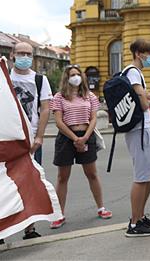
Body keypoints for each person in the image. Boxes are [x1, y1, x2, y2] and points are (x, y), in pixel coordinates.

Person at [49, 65, 112, 229]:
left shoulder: (89, 96)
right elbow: (59, 121)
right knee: (62, 177)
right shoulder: (59, 97)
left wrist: (84, 138)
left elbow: (93, 119)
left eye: (78, 74)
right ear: (66, 77)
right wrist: (75, 138)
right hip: (66, 137)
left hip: (86, 135)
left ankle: (101, 208)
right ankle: (59, 214)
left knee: (92, 174)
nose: (75, 77)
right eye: (72, 75)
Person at [10, 42, 52, 239]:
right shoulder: (3, 76)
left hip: (31, 139)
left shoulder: (40, 79)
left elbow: (45, 108)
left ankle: (30, 228)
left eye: (28, 53)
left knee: (32, 183)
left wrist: (40, 136)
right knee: (6, 185)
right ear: (12, 55)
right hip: (8, 139)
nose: (24, 56)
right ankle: (0, 232)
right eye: (20, 53)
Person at [124, 38, 150, 237]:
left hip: (145, 129)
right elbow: (145, 102)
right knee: (141, 177)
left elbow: (145, 97)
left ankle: (140, 216)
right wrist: (147, 96)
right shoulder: (132, 72)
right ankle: (134, 222)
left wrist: (147, 96)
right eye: (149, 53)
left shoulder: (137, 73)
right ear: (139, 53)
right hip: (138, 130)